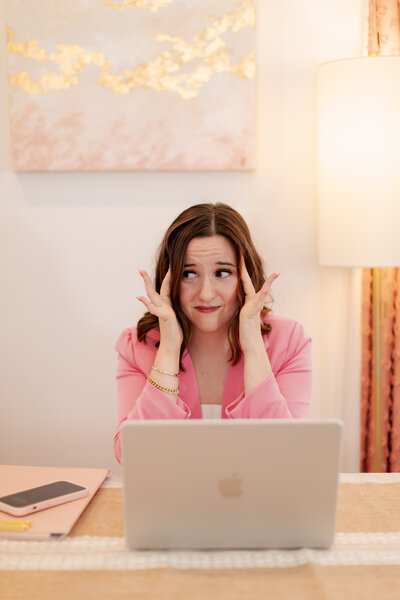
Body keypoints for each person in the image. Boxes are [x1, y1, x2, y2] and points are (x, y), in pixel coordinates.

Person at [114, 203, 312, 463]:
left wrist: (253, 346)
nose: (206, 293)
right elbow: (133, 456)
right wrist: (169, 350)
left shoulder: (289, 341)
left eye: (222, 273)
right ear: (169, 279)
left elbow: (288, 456)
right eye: (189, 274)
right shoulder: (137, 345)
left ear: (246, 277)